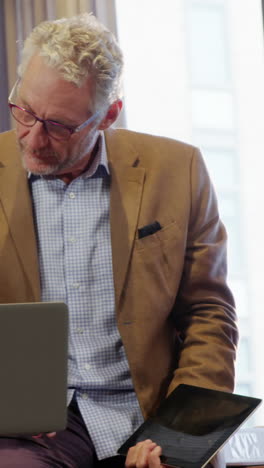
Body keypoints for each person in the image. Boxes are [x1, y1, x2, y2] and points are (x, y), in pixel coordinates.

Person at [0, 12, 238, 468]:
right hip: (31, 431)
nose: (32, 138)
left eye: (59, 126)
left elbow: (210, 316)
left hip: (150, 413)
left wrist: (180, 432)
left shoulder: (178, 170)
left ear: (107, 115)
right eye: (24, 111)